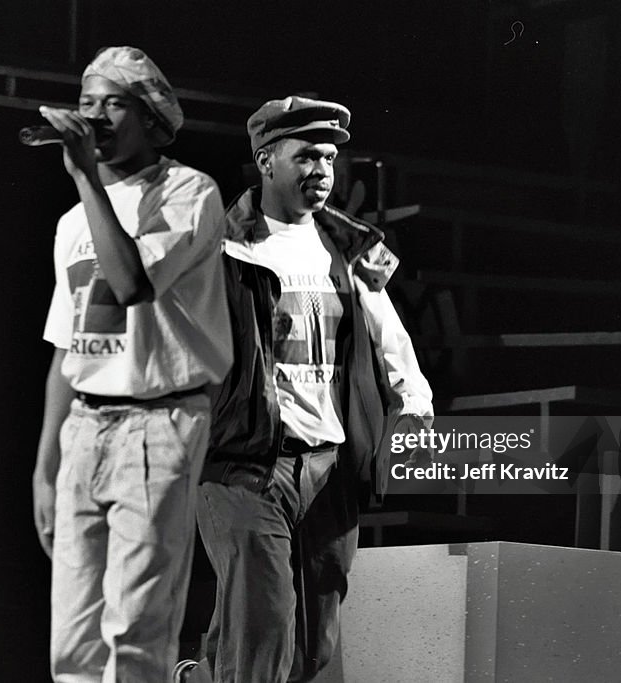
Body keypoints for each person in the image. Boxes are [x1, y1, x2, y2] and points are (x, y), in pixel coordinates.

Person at [176, 96, 433, 683]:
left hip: (327, 468)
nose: (321, 171)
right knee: (264, 627)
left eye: (329, 158)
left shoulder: (350, 246)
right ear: (266, 162)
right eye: (306, 157)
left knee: (311, 648)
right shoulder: (218, 245)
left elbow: (389, 333)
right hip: (241, 463)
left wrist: (413, 404)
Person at [31, 45, 232, 683]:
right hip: (84, 427)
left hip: (159, 421)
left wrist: (87, 175)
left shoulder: (189, 192)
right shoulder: (72, 222)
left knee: (134, 628)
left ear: (151, 118)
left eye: (113, 104)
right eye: (87, 103)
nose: (95, 117)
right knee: (73, 638)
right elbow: (67, 347)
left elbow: (130, 286)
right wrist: (45, 465)